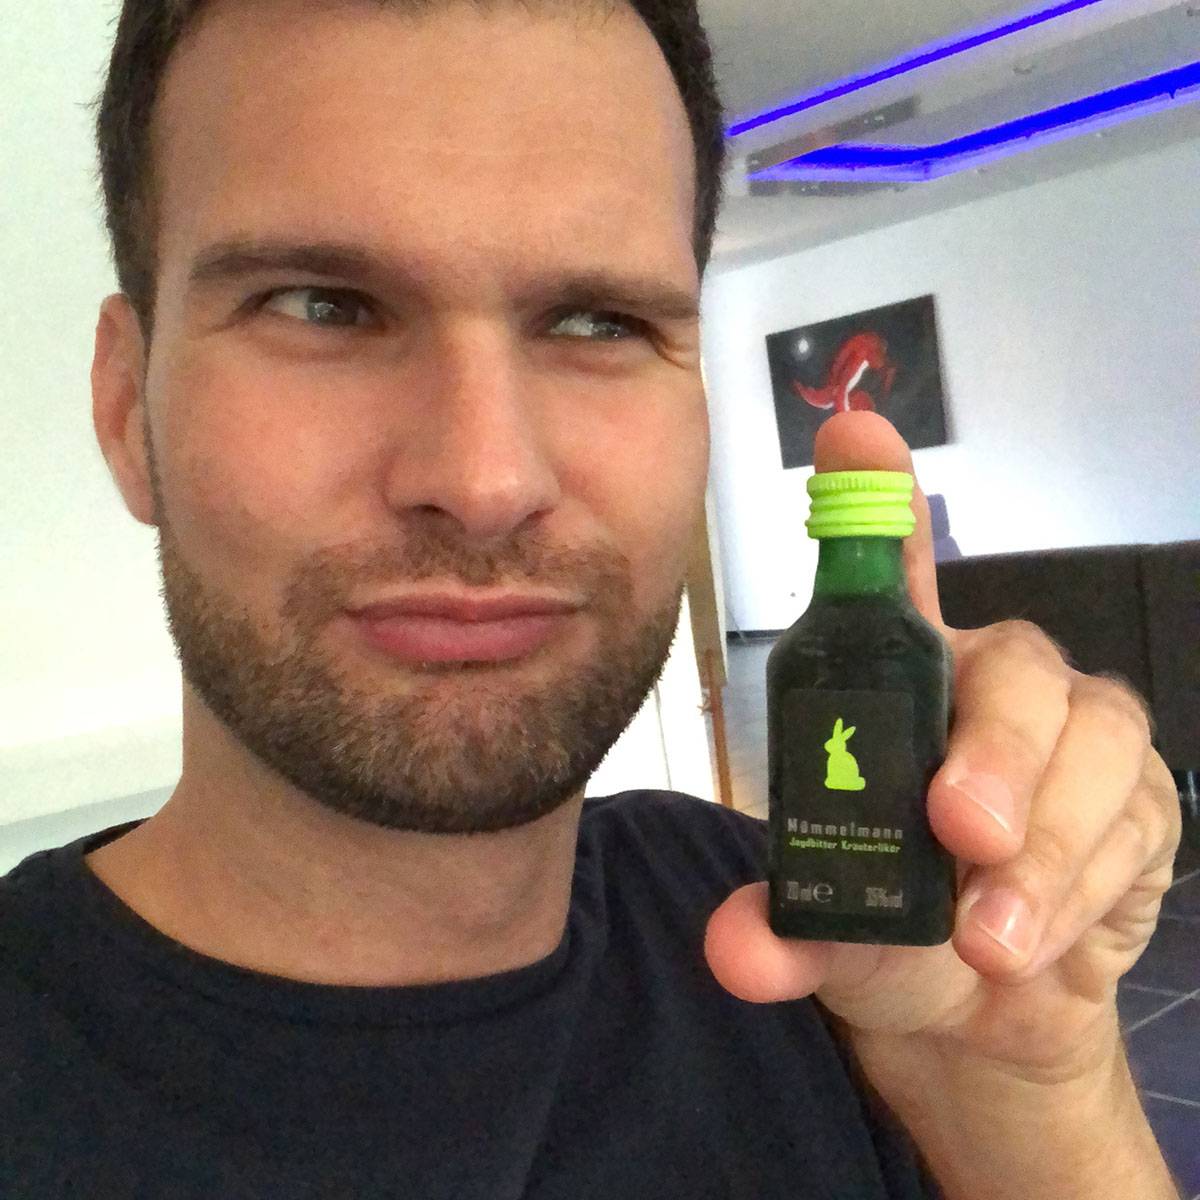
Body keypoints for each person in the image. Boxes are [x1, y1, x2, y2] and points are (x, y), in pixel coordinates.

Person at [0, 1, 1184, 1196]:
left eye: (596, 322)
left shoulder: (820, 945)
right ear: (125, 411)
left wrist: (1030, 1098)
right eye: (322, 305)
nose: (486, 482)